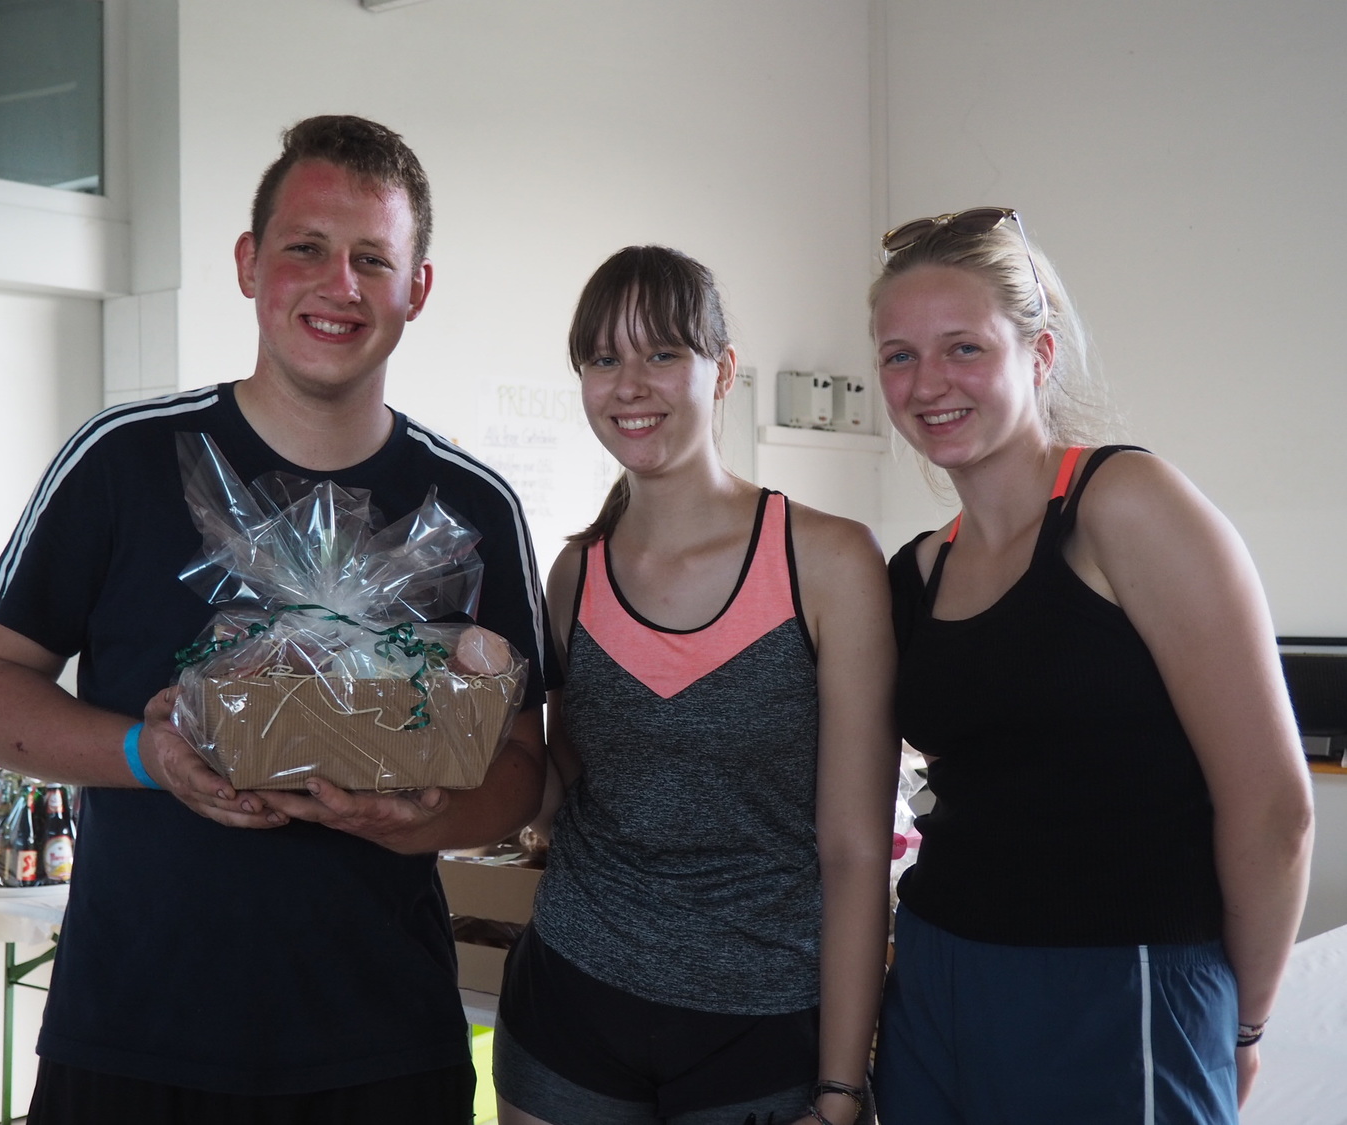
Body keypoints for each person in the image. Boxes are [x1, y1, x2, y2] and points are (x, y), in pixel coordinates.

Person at [0, 115, 552, 1125]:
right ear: (247, 264)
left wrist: (427, 820)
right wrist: (149, 754)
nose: (338, 285)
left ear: (417, 289)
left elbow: (524, 768)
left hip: (382, 1050)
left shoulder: (473, 507)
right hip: (133, 1039)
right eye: (305, 247)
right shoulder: (123, 460)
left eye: (372, 259)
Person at [867, 207, 1314, 1124]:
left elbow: (1276, 809)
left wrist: (1243, 1025)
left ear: (1038, 355)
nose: (927, 382)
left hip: (1119, 980)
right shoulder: (916, 570)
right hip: (937, 976)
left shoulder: (1124, 505)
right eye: (899, 355)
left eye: (963, 348)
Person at [492, 245, 898, 1125]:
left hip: (760, 1023)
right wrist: (474, 713)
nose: (630, 384)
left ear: (723, 371)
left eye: (663, 352)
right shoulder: (573, 575)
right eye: (604, 358)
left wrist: (840, 1086)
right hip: (571, 1001)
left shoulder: (828, 561)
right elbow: (561, 801)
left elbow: (857, 850)